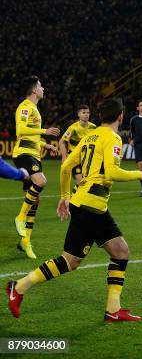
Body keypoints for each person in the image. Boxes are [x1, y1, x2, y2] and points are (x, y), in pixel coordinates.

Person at [6, 98, 142, 322]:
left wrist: (65, 196)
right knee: (73, 260)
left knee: (116, 252)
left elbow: (65, 167)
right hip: (91, 207)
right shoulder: (112, 137)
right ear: (121, 116)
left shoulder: (88, 137)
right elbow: (112, 172)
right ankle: (18, 287)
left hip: (87, 204)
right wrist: (139, 174)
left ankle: (113, 310)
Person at [12, 76, 60, 259]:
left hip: (34, 153)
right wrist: (44, 132)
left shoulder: (34, 109)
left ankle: (25, 242)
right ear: (33, 90)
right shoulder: (25, 107)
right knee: (41, 181)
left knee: (35, 199)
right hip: (23, 153)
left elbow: (30, 135)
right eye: (40, 86)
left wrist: (46, 145)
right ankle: (20, 217)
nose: (43, 88)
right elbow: (21, 131)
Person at [58, 105, 96, 190]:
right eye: (84, 112)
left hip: (87, 158)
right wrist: (64, 157)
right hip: (74, 158)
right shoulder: (73, 128)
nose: (86, 114)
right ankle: (74, 201)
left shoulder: (93, 127)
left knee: (87, 183)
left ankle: (74, 198)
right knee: (81, 181)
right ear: (79, 114)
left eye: (88, 112)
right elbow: (62, 141)